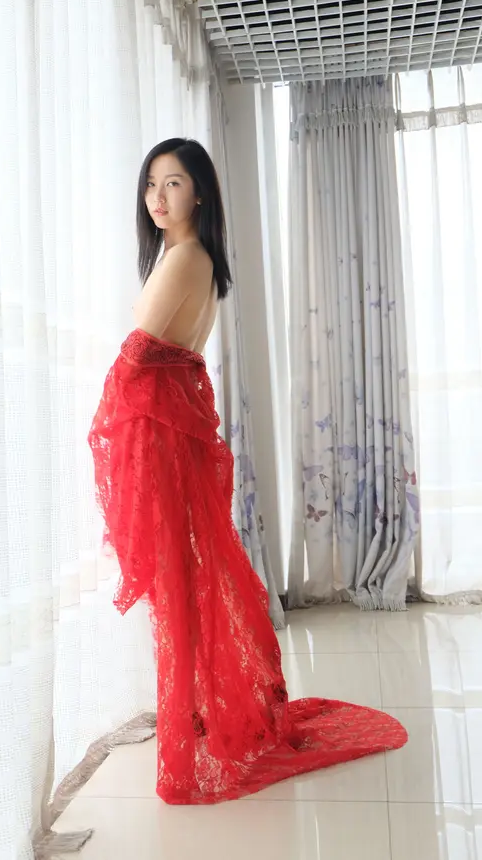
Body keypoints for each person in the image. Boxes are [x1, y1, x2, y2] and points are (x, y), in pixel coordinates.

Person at [88, 138, 407, 805]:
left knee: (179, 583)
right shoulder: (197, 259)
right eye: (151, 183)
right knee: (186, 577)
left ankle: (188, 734)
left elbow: (137, 352)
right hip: (172, 433)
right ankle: (197, 713)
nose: (157, 196)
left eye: (173, 183)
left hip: (163, 438)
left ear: (199, 193)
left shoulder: (184, 258)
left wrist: (107, 420)